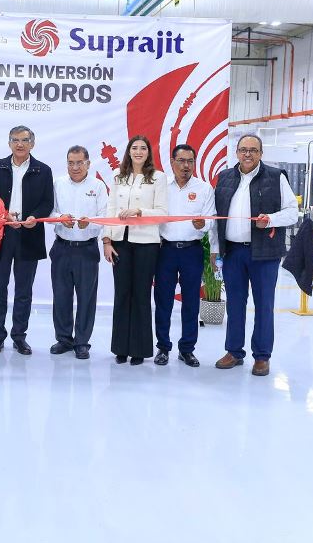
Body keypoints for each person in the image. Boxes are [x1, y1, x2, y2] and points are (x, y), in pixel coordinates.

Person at [213, 134, 297, 377]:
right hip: (233, 252)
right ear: (236, 153)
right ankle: (234, 352)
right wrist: (216, 250)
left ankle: (261, 356)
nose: (247, 154)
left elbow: (293, 212)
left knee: (264, 305)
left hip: (264, 254)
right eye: (243, 150)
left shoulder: (276, 177)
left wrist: (270, 219)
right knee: (235, 304)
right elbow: (218, 218)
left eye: (253, 150)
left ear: (261, 153)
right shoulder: (225, 177)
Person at [0, 125, 54, 356]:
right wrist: (2, 215)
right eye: (15, 140)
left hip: (29, 234)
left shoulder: (43, 170)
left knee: (24, 290)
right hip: (1, 234)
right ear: (9, 143)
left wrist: (35, 217)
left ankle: (19, 336)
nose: (20, 144)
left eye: (24, 140)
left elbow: (47, 202)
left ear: (32, 143)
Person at [102, 135, 168, 366]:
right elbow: (110, 209)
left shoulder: (158, 177)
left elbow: (163, 212)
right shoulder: (118, 176)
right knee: (121, 294)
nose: (138, 152)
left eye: (143, 148)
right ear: (128, 151)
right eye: (134, 148)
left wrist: (140, 211)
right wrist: (107, 240)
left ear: (149, 152)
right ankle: (120, 348)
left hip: (146, 243)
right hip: (120, 241)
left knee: (141, 294)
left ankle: (139, 349)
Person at [153, 144, 215, 368]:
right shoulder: (161, 188)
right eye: (181, 161)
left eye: (190, 161)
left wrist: (202, 224)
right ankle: (163, 347)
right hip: (165, 251)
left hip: (192, 250)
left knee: (191, 302)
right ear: (172, 163)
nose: (185, 166)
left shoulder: (204, 188)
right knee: (163, 301)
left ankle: (187, 349)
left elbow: (210, 220)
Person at [48, 146, 108, 360]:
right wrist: (60, 217)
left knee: (86, 298)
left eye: (79, 163)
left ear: (88, 164)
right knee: (61, 296)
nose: (75, 167)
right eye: (71, 163)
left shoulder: (98, 186)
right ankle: (64, 339)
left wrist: (89, 223)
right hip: (62, 248)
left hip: (87, 249)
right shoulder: (58, 183)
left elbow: (104, 216)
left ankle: (82, 342)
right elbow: (49, 211)